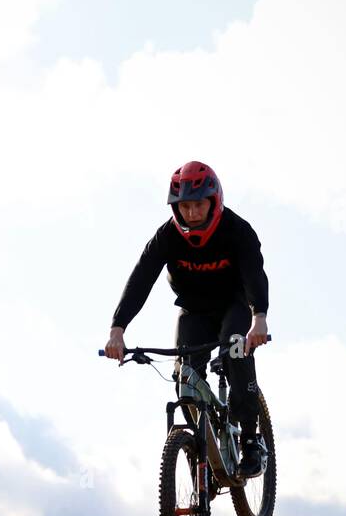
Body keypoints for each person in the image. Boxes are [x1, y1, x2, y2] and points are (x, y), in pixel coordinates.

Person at [104, 160, 271, 477]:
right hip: (194, 309)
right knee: (185, 378)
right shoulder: (167, 237)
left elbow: (253, 276)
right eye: (185, 207)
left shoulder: (238, 232)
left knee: (237, 349)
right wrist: (118, 329)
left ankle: (250, 439)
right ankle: (201, 449)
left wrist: (258, 317)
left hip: (235, 305)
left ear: (214, 201)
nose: (192, 213)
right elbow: (141, 278)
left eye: (198, 205)